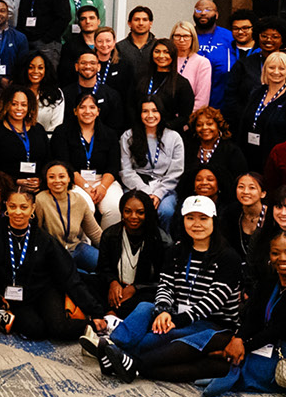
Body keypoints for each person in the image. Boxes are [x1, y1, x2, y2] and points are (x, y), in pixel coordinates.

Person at [95, 197, 241, 382]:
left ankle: (118, 357)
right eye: (190, 218)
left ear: (214, 220)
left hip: (212, 322)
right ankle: (113, 345)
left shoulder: (228, 257)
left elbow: (213, 301)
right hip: (177, 313)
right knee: (145, 307)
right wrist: (163, 311)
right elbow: (166, 285)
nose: (196, 224)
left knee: (156, 338)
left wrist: (176, 320)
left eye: (203, 218)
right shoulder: (176, 251)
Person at [198, 229, 286, 397]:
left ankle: (233, 378)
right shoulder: (270, 281)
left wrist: (243, 348)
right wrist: (238, 338)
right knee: (215, 353)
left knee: (226, 364)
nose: (282, 258)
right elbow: (254, 315)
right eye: (275, 253)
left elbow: (278, 330)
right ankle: (231, 375)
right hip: (270, 345)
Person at [0, 191, 106, 341]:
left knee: (58, 329)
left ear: (32, 208)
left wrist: (95, 311)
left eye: (23, 207)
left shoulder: (43, 238)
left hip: (43, 290)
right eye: (12, 206)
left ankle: (94, 326)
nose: (17, 212)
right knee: (35, 330)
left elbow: (68, 275)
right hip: (12, 294)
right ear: (6, 207)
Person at [52, 92, 125, 226]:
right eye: (82, 107)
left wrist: (102, 187)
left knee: (114, 207)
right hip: (74, 181)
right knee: (86, 207)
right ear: (75, 111)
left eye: (92, 107)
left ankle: (108, 238)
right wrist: (86, 187)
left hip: (103, 181)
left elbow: (113, 167)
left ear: (98, 111)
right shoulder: (62, 132)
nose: (87, 111)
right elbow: (65, 165)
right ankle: (88, 240)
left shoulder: (109, 134)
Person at [94, 191, 166, 318]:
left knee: (147, 302)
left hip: (143, 291)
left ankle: (109, 315)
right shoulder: (110, 234)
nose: (133, 216)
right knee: (84, 281)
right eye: (127, 211)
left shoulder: (161, 240)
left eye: (140, 212)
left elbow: (162, 281)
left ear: (148, 213)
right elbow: (102, 269)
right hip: (116, 288)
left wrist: (135, 288)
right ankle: (111, 314)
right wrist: (112, 282)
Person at [235, 51, 286, 172]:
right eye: (271, 67)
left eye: (281, 68)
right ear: (265, 69)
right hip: (250, 156)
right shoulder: (256, 93)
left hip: (278, 161)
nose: (276, 72)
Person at [119, 99, 184, 226]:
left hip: (164, 186)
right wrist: (146, 192)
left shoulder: (174, 137)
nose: (150, 115)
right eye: (145, 111)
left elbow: (175, 172)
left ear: (161, 113)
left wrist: (158, 194)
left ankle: (165, 238)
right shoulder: (128, 136)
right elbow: (126, 171)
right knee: (134, 210)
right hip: (136, 185)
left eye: (154, 111)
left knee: (166, 211)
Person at [38, 162, 104, 272]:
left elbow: (94, 232)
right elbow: (36, 234)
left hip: (77, 248)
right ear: (46, 180)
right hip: (53, 254)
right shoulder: (40, 200)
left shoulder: (79, 199)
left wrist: (112, 252)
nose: (57, 181)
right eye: (51, 177)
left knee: (106, 267)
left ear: (69, 178)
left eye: (62, 176)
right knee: (79, 276)